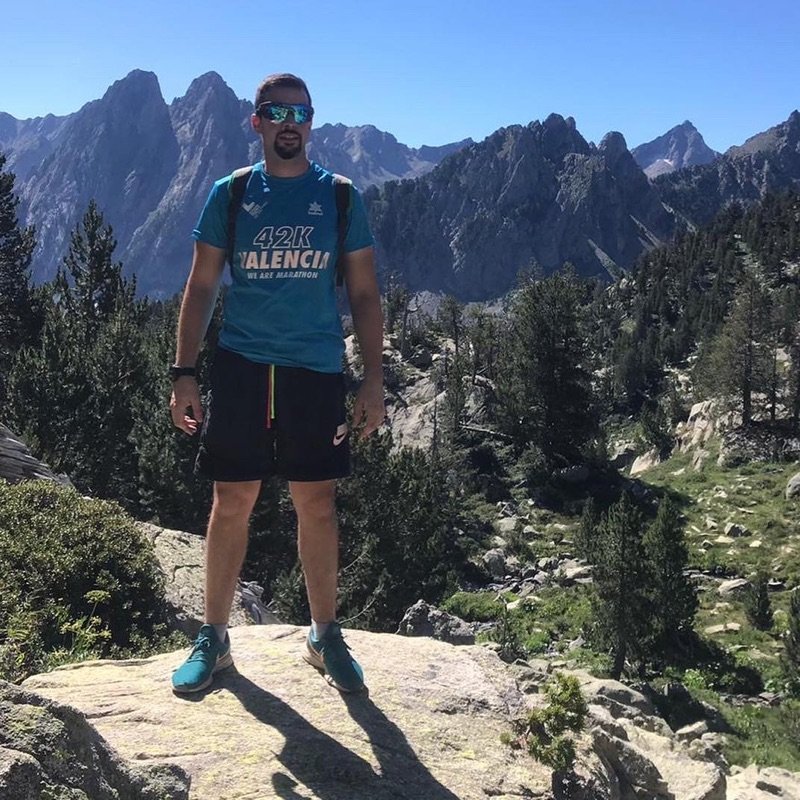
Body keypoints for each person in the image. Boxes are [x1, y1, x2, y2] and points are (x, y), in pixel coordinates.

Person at [168, 73, 384, 695]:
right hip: (241, 363)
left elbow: (364, 292)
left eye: (300, 113)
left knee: (317, 503)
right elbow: (202, 285)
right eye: (277, 112)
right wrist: (184, 372)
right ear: (257, 121)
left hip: (314, 367)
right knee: (231, 499)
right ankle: (214, 637)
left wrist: (373, 378)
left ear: (312, 122)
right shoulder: (232, 193)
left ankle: (324, 634)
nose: (290, 123)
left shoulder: (339, 196)